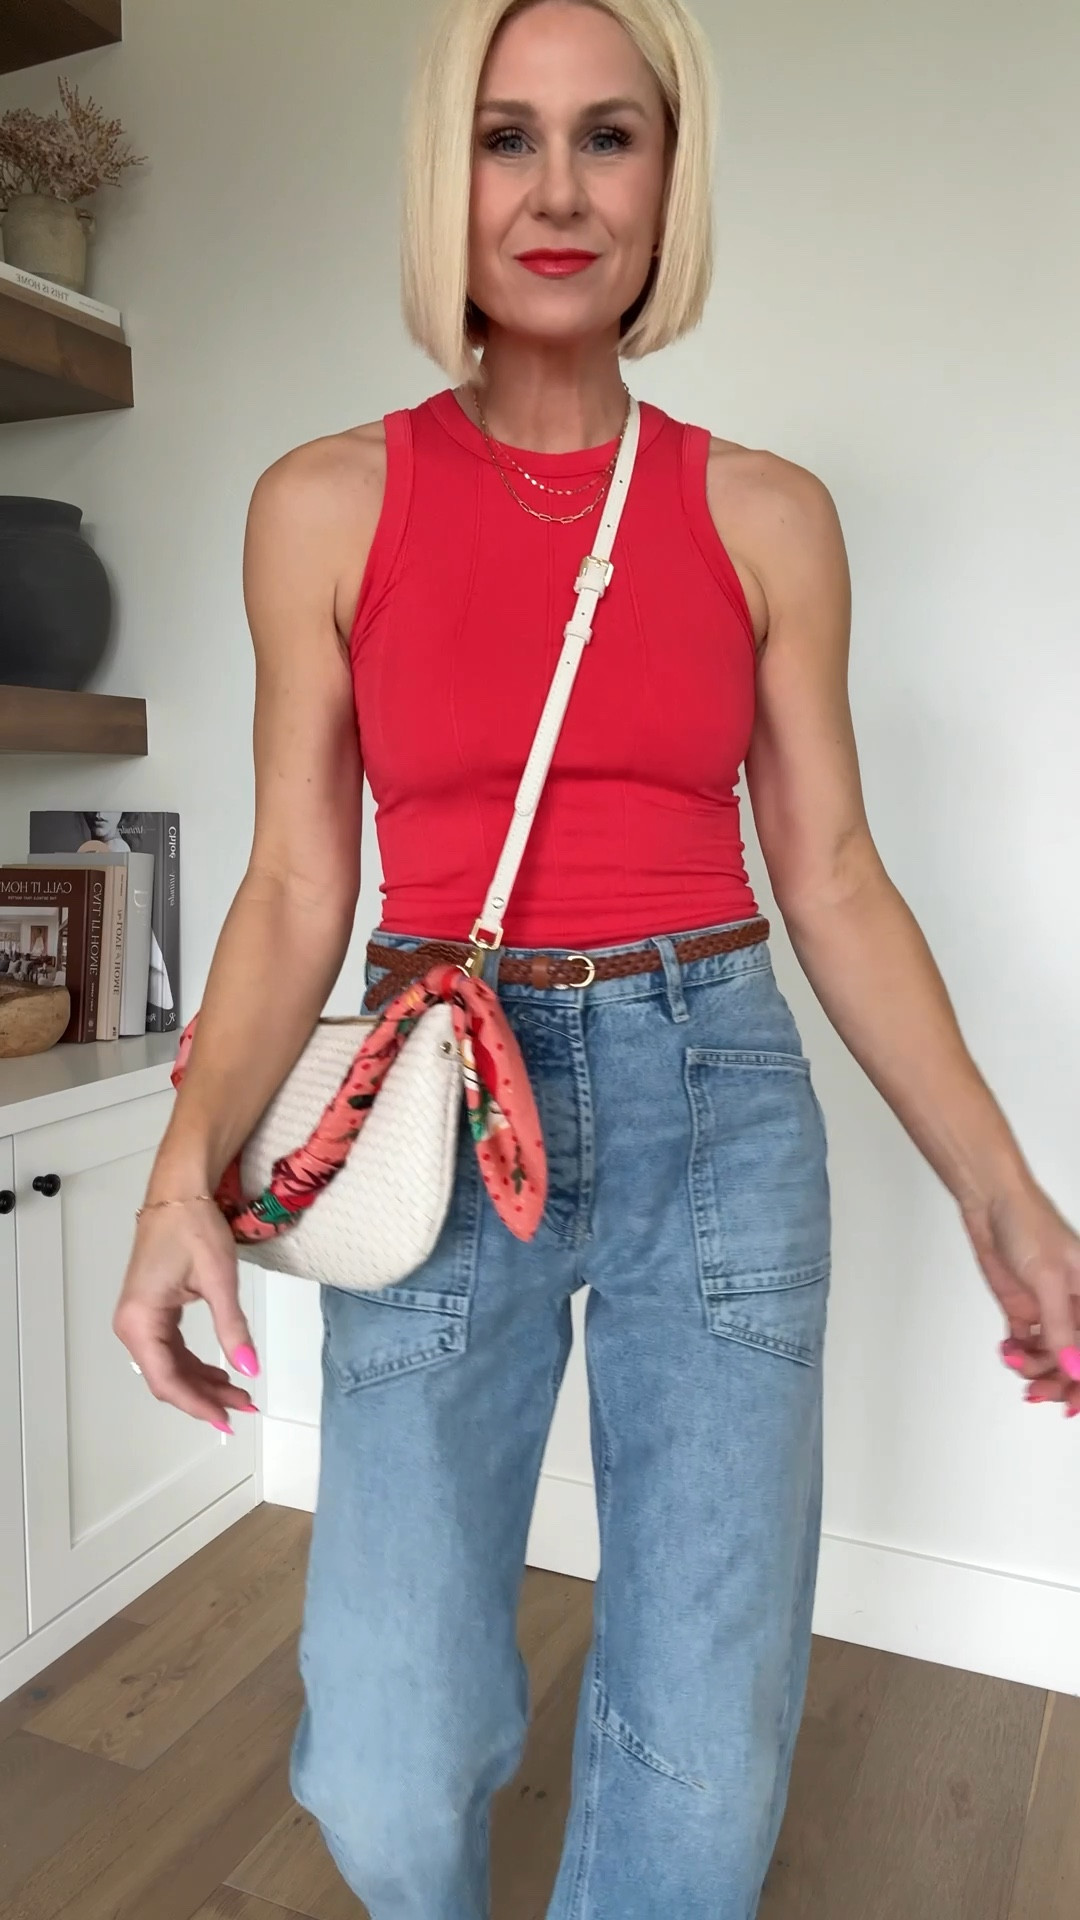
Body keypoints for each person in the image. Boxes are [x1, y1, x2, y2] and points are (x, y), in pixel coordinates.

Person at [112, 1, 1080, 1914]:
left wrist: (1005, 1191)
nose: (556, 190)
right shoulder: (325, 503)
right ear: (442, 177)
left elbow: (841, 878)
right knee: (386, 1763)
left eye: (608, 138)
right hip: (431, 1095)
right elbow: (300, 883)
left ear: (667, 178)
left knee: (702, 1777)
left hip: (716, 1094)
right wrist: (176, 1181)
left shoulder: (767, 516)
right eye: (503, 138)